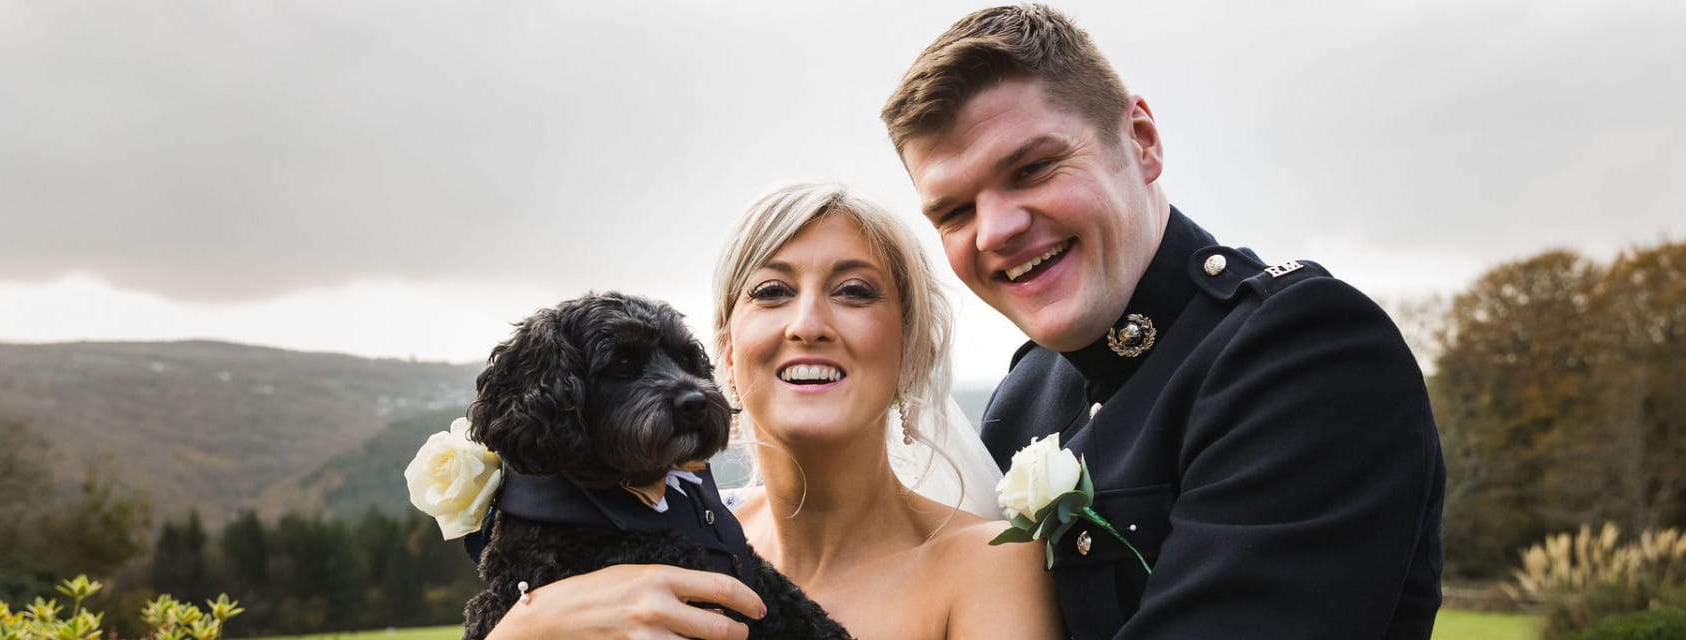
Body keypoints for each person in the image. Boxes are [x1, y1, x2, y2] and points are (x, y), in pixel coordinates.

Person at [880, 5, 1446, 639]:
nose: (995, 231)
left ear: (1142, 141)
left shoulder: (1306, 352)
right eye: (955, 213)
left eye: (1032, 169)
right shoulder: (1025, 394)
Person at [485, 180, 1063, 640]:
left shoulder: (992, 564)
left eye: (854, 291)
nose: (808, 324)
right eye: (771, 292)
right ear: (725, 355)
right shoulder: (643, 539)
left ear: (911, 351)